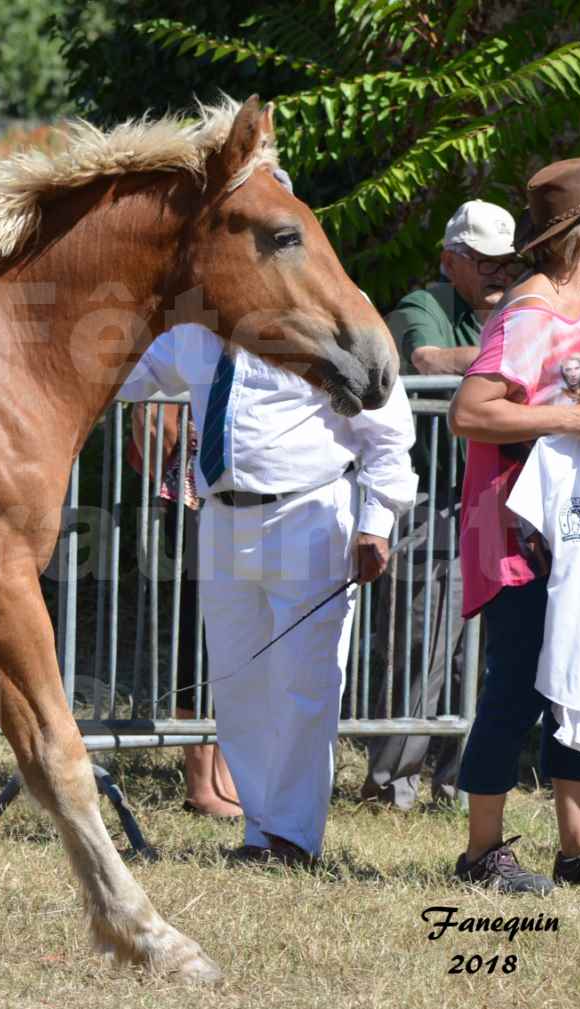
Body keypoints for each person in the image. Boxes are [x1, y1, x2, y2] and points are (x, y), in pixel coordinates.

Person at [118, 167, 418, 865]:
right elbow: (123, 370)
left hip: (308, 513)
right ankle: (259, 828)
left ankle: (291, 836)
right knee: (237, 683)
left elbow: (386, 431)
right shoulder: (194, 322)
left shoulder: (325, 315)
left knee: (304, 684)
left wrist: (375, 521)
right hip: (221, 518)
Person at [447, 156, 580, 894]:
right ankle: (481, 853)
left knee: (575, 677)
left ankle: (577, 849)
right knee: (515, 686)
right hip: (518, 531)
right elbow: (469, 411)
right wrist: (568, 414)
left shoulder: (571, 306)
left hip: (569, 530)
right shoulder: (529, 312)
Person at [363, 201, 519, 810]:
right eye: (482, 261)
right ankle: (390, 787)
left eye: (505, 261)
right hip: (430, 500)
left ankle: (457, 781)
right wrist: (515, 361)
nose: (497, 272)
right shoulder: (423, 305)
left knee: (477, 654)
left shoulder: (512, 309)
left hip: (492, 503)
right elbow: (425, 361)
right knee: (418, 645)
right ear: (450, 260)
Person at [125, 401, 242, 818]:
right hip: (195, 498)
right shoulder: (181, 342)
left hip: (236, 497)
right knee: (199, 635)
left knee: (235, 636)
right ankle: (202, 783)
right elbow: (153, 419)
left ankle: (228, 778)